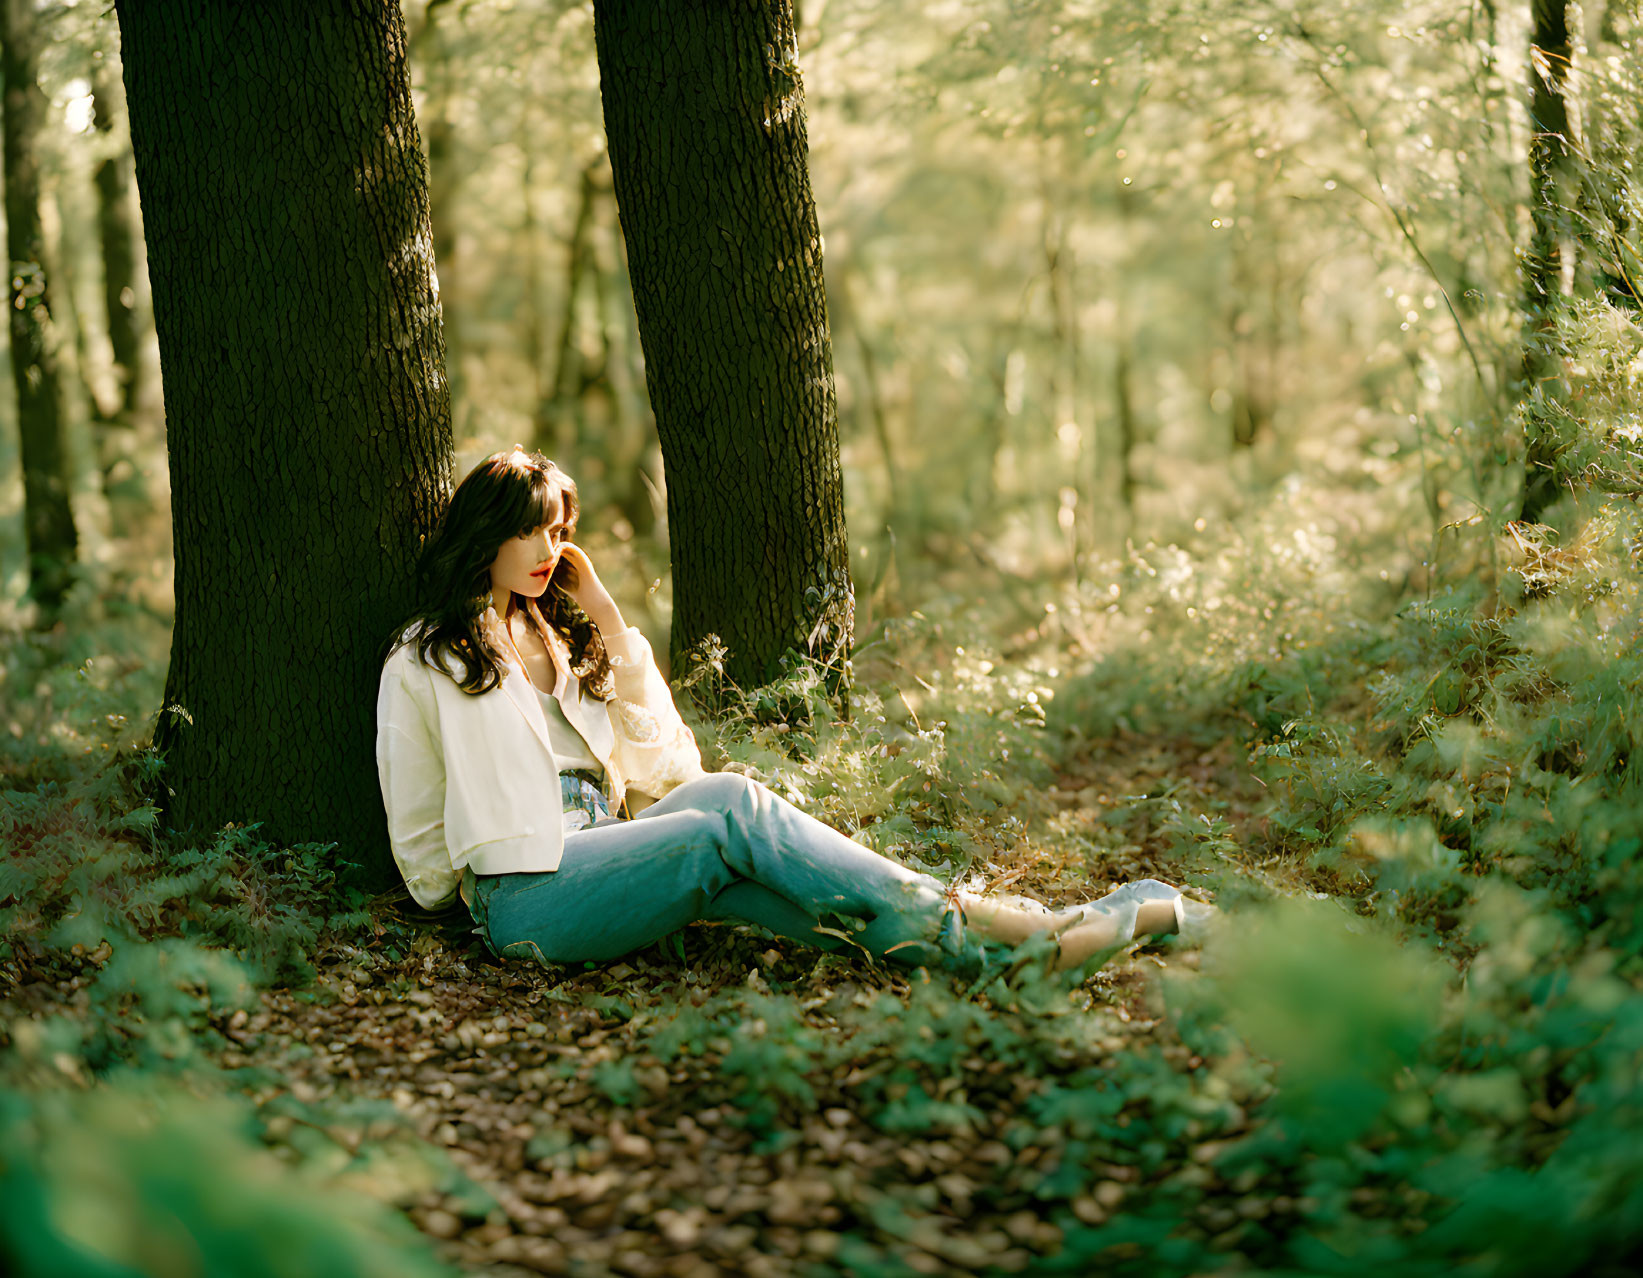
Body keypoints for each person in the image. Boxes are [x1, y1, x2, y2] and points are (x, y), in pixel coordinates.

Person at [376, 448, 1205, 977]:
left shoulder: (565, 638)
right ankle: (1007, 921)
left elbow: (666, 766)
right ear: (485, 532)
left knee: (761, 847)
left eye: (560, 532)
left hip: (613, 845)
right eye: (529, 532)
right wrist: (479, 893)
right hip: (528, 893)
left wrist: (608, 621)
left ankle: (1026, 951)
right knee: (721, 820)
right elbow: (418, 839)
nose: (548, 551)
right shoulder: (427, 656)